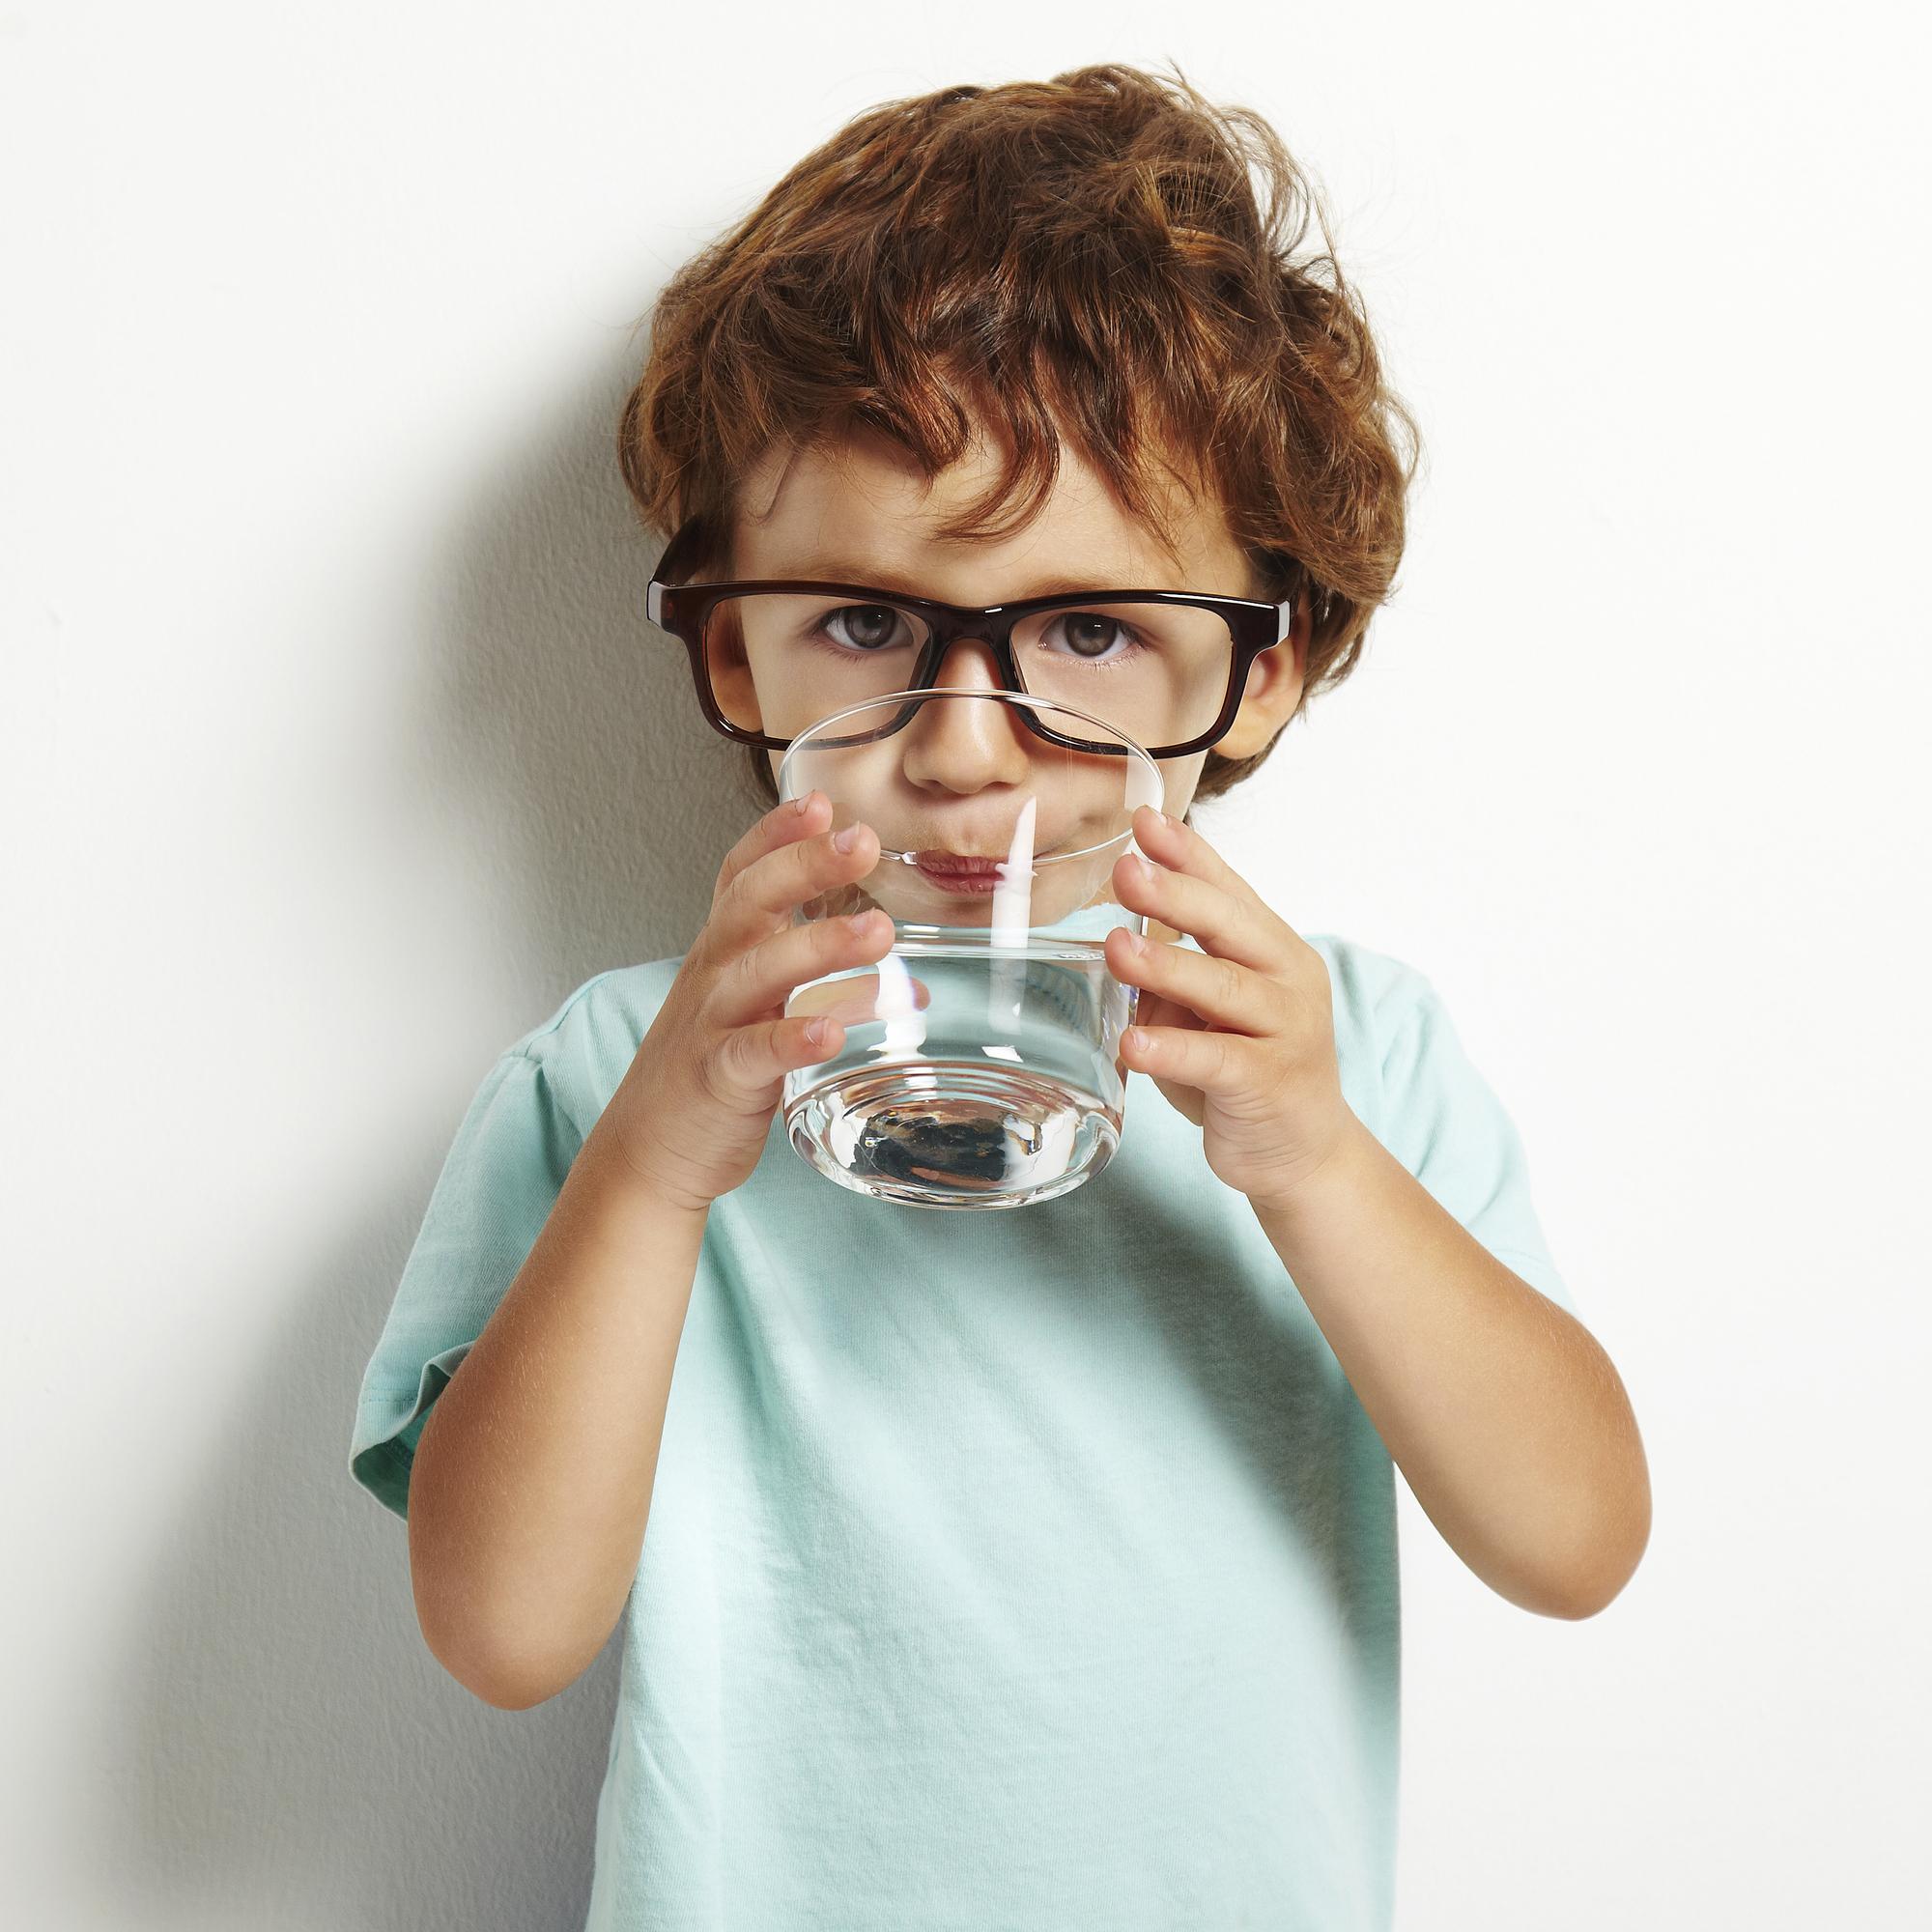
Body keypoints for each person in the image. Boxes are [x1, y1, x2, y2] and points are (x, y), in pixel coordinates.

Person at [348, 62, 1649, 1931]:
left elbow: (1575, 1543)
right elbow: (499, 1633)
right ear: (735, 648)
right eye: (866, 624)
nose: (970, 749)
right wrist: (652, 1170)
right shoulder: (628, 1077)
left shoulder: (1350, 1054)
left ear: (1264, 673)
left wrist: (1315, 1160)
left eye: (1090, 632)